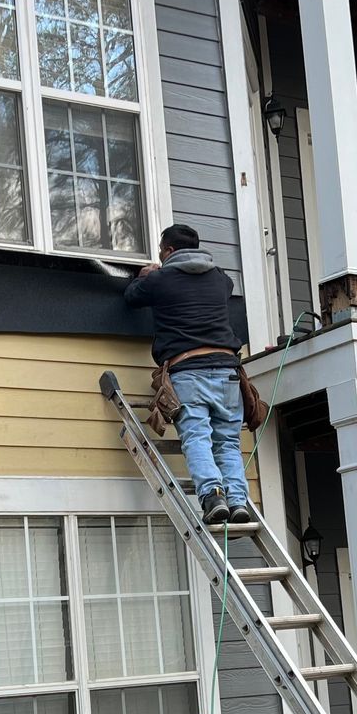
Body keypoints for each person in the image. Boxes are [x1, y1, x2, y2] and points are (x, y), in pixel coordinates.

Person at [124, 223, 253, 525]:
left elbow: (131, 297)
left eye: (161, 250)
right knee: (228, 442)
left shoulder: (160, 279)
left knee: (196, 436)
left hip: (188, 370)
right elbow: (221, 289)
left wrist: (146, 275)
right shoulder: (221, 279)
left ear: (168, 250)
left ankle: (212, 496)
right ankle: (237, 500)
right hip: (228, 371)